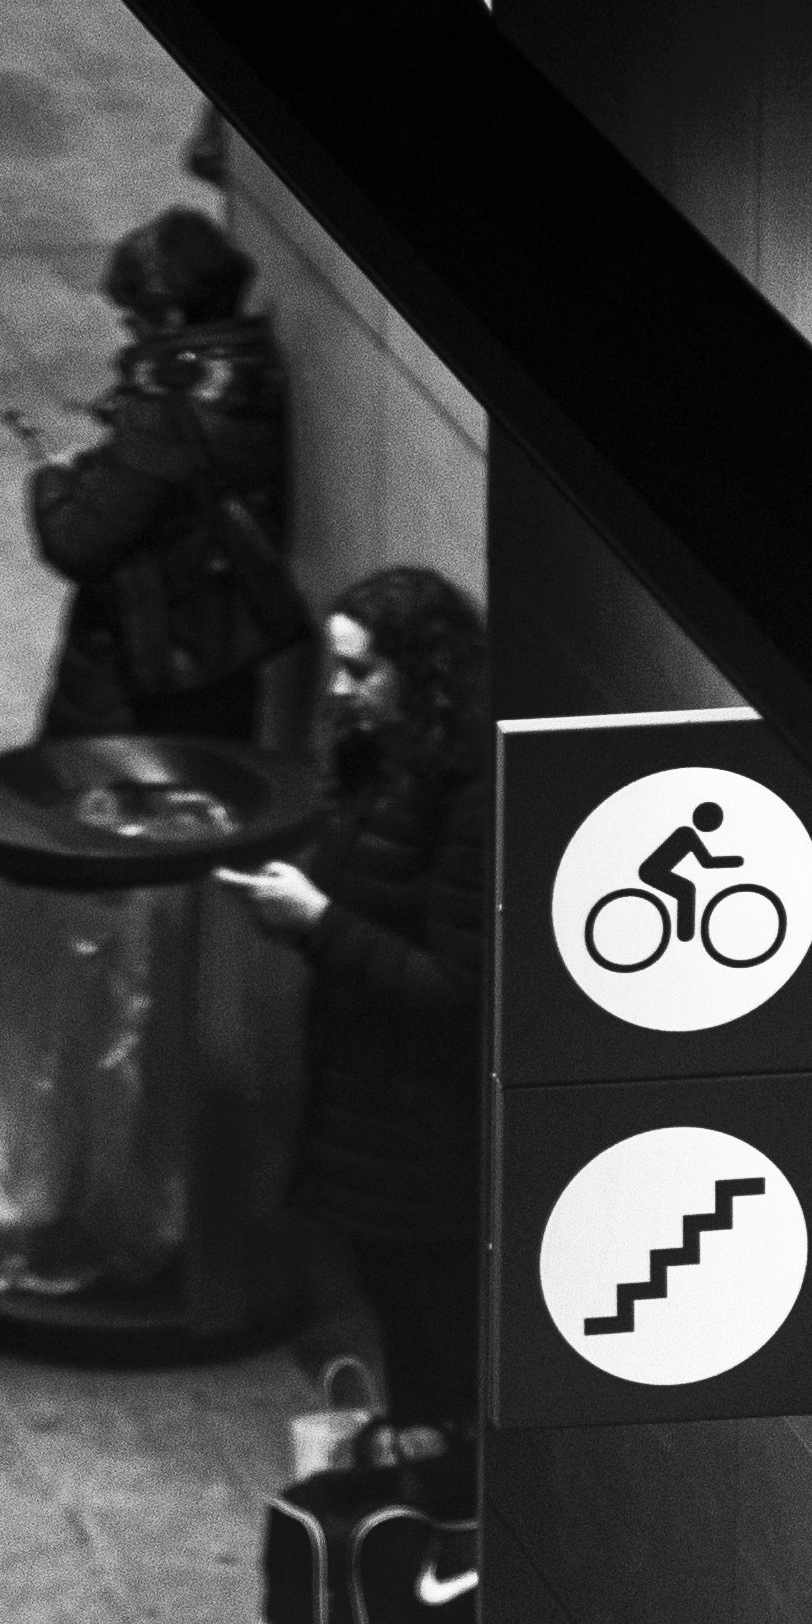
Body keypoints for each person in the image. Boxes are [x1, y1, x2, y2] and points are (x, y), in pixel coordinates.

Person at [221, 565, 492, 1439]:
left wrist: (318, 920)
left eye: (363, 671)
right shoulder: (382, 762)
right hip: (368, 1108)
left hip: (424, 1138)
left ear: (424, 672)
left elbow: (456, 991)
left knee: (439, 1342)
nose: (339, 690)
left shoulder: (472, 798)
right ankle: (421, 1482)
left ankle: (446, 1521)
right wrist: (299, 910)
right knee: (404, 1330)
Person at [25, 210, 296, 750]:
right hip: (222, 658)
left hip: (140, 676)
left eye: (133, 318)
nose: (128, 333)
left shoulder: (166, 414)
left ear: (169, 316)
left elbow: (76, 543)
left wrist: (51, 475)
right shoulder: (250, 370)